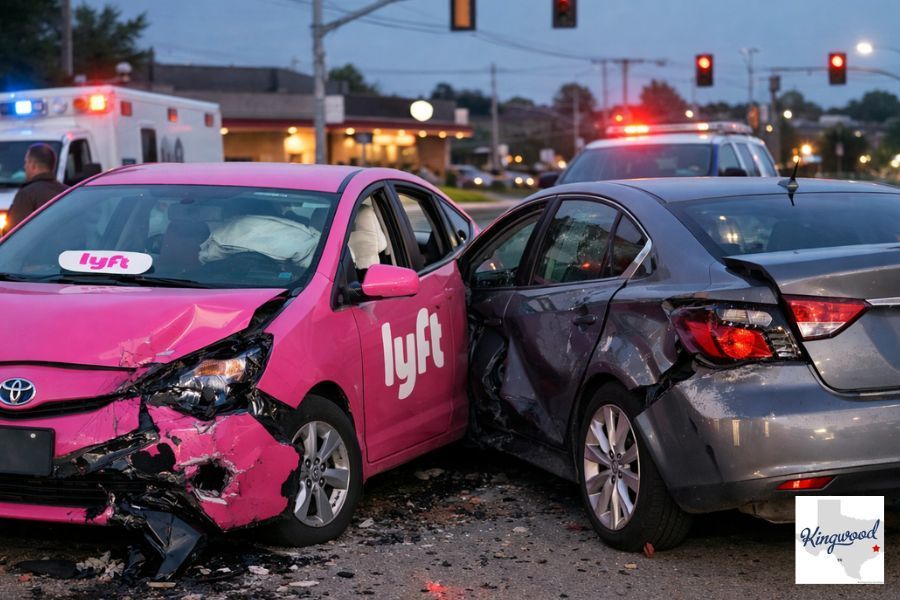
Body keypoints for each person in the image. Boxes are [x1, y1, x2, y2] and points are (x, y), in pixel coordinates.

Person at [7, 143, 68, 229]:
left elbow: (14, 232)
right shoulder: (68, 193)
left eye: (26, 162)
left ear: (33, 166)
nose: (25, 166)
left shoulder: (27, 195)